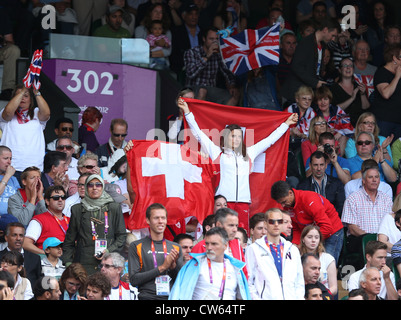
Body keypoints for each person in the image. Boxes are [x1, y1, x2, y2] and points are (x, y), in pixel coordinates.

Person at [178, 97, 298, 232]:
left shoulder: (249, 152)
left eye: (239, 137)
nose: (236, 139)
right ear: (226, 137)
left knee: (242, 234)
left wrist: (286, 124)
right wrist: (187, 112)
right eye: (232, 136)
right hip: (224, 201)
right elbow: (198, 134)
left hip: (244, 202)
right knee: (222, 233)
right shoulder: (218, 152)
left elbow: (270, 140)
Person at [62, 174, 127, 275]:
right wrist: (69, 264)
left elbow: (121, 236)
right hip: (84, 264)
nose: (94, 188)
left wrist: (109, 251)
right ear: (86, 188)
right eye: (90, 185)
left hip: (108, 263)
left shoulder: (114, 208)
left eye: (98, 184)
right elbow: (69, 240)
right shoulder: (77, 209)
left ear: (103, 187)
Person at [271, 180, 344, 264]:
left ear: (290, 193)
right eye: (281, 203)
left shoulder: (309, 200)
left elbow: (327, 227)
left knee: (326, 264)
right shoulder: (288, 206)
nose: (283, 206)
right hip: (312, 234)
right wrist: (296, 245)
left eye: (284, 202)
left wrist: (308, 241)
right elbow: (296, 228)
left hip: (333, 232)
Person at [169, 227, 250, 300]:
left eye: (214, 244)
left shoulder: (236, 268)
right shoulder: (193, 265)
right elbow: (179, 295)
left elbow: (241, 297)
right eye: (207, 244)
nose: (209, 247)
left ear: (225, 246)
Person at [245, 208, 305, 300]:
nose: (276, 224)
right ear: (265, 224)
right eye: (272, 221)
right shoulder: (253, 249)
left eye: (280, 221)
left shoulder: (292, 249)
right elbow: (249, 282)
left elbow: (299, 281)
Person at [342, 165, 393, 269]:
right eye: (370, 177)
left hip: (382, 240)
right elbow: (352, 229)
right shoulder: (353, 199)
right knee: (367, 244)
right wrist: (371, 239)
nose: (374, 180)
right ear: (363, 181)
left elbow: (391, 225)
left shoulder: (386, 199)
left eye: (377, 177)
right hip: (360, 239)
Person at [128, 203, 183, 300]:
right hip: (147, 297)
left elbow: (181, 280)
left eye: (163, 218)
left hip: (170, 298)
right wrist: (162, 268)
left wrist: (173, 267)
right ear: (148, 220)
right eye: (156, 218)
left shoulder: (175, 247)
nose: (160, 221)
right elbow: (133, 279)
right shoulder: (136, 246)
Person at [281, 18, 340, 105]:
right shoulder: (306, 43)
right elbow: (296, 67)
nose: (333, 39)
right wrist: (315, 82)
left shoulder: (322, 45)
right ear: (325, 30)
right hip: (294, 95)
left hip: (307, 93)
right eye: (333, 35)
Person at [0, 85, 50, 177]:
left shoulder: (37, 113)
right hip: (11, 167)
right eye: (18, 95)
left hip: (34, 168)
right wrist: (23, 91)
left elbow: (46, 114)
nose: (22, 98)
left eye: (26, 96)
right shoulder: (6, 113)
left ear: (31, 100)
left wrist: (36, 92)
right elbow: (7, 113)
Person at [183, 26, 239, 106]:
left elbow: (227, 72)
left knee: (235, 95)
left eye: (216, 39)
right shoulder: (192, 52)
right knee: (202, 91)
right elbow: (190, 73)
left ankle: (221, 119)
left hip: (211, 89)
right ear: (204, 39)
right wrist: (207, 57)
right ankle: (198, 118)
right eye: (211, 39)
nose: (214, 42)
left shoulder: (218, 54)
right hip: (193, 88)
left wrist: (232, 85)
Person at [191, 208, 247, 275]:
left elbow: (244, 273)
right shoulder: (201, 246)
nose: (235, 229)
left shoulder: (237, 244)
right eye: (231, 225)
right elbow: (192, 275)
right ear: (218, 225)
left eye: (236, 225)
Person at [298, 151, 345, 217]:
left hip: (333, 222)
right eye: (315, 165)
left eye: (321, 165)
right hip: (311, 223)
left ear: (326, 165)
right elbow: (301, 209)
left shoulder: (337, 183)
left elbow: (341, 207)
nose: (319, 168)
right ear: (310, 166)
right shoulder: (302, 186)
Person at [23, 186, 69, 254]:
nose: (60, 200)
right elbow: (26, 243)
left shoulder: (71, 220)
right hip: (49, 262)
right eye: (56, 198)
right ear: (47, 201)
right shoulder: (39, 220)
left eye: (63, 197)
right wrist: (47, 255)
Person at [370, 44, 401, 141]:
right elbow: (386, 94)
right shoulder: (381, 72)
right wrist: (397, 77)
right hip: (384, 121)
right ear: (395, 58)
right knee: (383, 150)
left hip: (398, 120)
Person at [314, 85, 354, 156]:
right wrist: (326, 131)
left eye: (325, 99)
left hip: (337, 139)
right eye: (320, 100)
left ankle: (338, 159)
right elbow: (310, 131)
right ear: (317, 102)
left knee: (344, 137)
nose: (323, 102)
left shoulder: (336, 110)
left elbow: (348, 124)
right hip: (321, 140)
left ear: (330, 100)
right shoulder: (314, 114)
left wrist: (340, 132)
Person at [330, 57, 371, 128]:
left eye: (350, 66)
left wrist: (363, 94)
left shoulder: (358, 86)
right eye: (345, 65)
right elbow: (334, 110)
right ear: (340, 70)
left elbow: (366, 108)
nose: (348, 68)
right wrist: (352, 98)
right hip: (341, 127)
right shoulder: (334, 88)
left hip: (359, 126)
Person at [299, 225, 337, 296]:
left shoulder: (328, 258)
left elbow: (334, 287)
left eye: (316, 237)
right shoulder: (296, 258)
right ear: (303, 239)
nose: (313, 240)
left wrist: (321, 296)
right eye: (309, 237)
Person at [169, 3, 203, 77]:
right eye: (190, 14)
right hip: (182, 71)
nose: (194, 17)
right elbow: (174, 55)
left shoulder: (203, 32)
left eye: (196, 14)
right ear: (184, 16)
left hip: (202, 69)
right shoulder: (176, 32)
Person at [0, 8, 21, 101]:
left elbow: (10, 41)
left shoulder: (2, 14)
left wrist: (2, 41)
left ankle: (7, 90)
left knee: (13, 50)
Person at [0, 146, 20, 215]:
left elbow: (19, 201)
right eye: (5, 158)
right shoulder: (9, 176)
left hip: (13, 218)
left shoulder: (13, 179)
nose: (9, 162)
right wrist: (7, 176)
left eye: (10, 159)